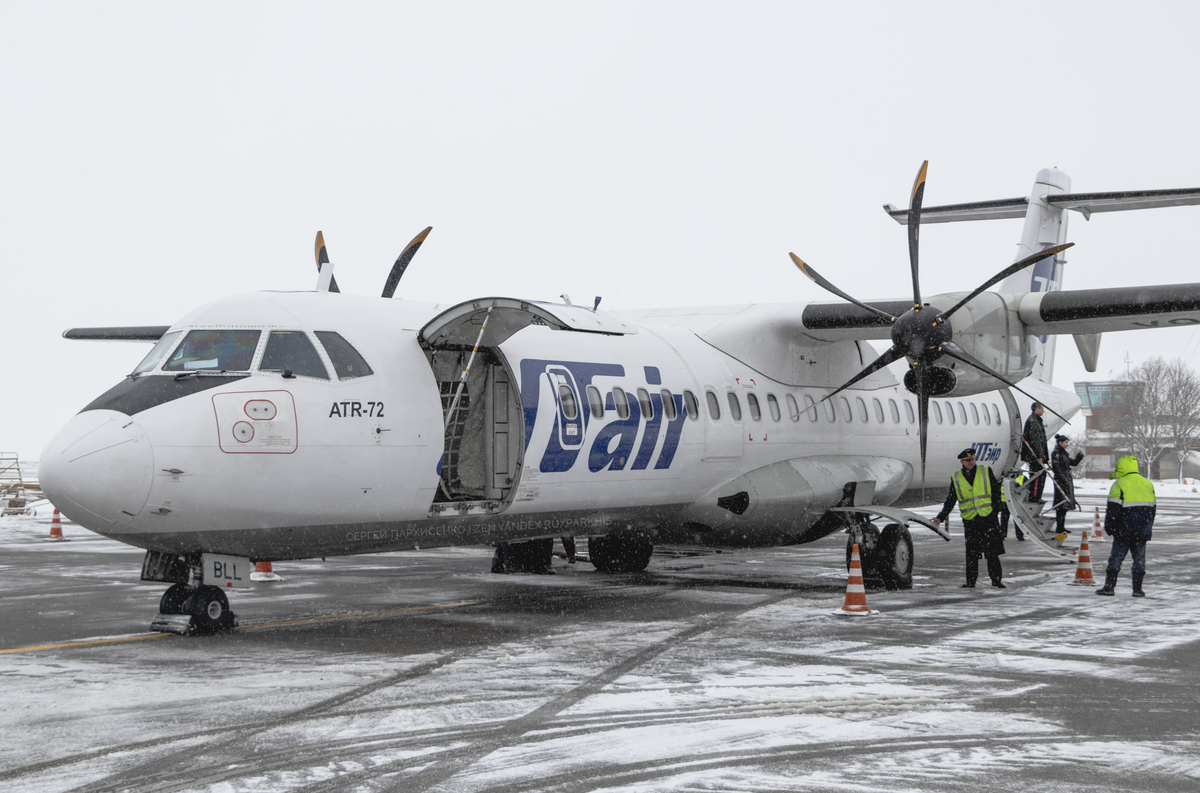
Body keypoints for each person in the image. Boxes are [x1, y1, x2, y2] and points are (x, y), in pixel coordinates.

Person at [933, 448, 1006, 588]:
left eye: (972, 459)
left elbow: (996, 492)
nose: (971, 462)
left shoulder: (985, 471)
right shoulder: (956, 478)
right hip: (971, 520)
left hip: (988, 518)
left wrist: (995, 511)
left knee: (992, 553)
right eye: (967, 460)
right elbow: (951, 500)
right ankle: (971, 582)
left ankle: (996, 581)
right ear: (962, 462)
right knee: (972, 554)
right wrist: (940, 517)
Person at [1097, 455, 1156, 597]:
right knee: (1139, 560)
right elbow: (1152, 510)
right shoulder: (1147, 484)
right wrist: (1147, 527)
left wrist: (1110, 527)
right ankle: (1137, 589)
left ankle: (1109, 587)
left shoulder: (1119, 484)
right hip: (1142, 530)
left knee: (1116, 559)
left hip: (1123, 530)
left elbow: (1113, 510)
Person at [1050, 434, 1085, 537]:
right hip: (1062, 481)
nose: (1067, 444)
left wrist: (1079, 457)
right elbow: (1057, 469)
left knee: (1064, 505)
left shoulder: (1064, 454)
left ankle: (1061, 526)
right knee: (1061, 504)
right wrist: (1063, 479)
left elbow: (1073, 463)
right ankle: (1059, 526)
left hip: (1066, 479)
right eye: (1066, 442)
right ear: (1060, 442)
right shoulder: (1056, 453)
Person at [1021, 402, 1049, 502]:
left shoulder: (1036, 420)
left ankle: (1036, 496)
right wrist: (1039, 456)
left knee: (1040, 475)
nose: (1043, 411)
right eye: (1042, 409)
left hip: (1034, 455)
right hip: (1034, 456)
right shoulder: (1033, 421)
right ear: (1037, 409)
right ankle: (1035, 497)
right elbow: (1035, 440)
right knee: (1037, 476)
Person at [998, 472, 1026, 541]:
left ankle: (1005, 534)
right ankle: (1017, 535)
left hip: (1013, 502)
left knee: (1011, 519)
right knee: (1009, 519)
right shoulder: (1005, 477)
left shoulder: (1005, 478)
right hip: (1006, 501)